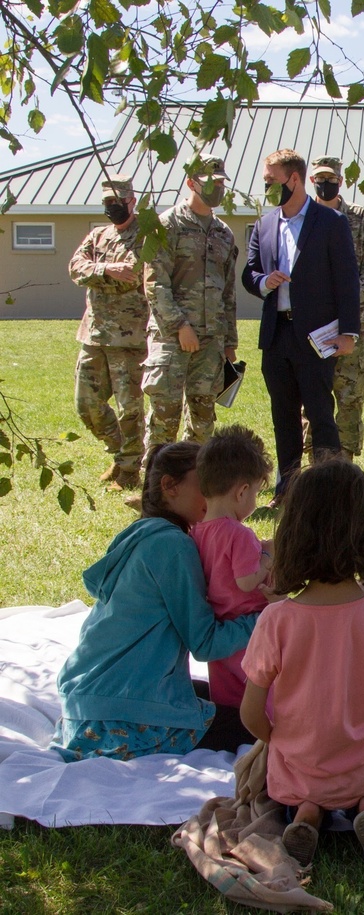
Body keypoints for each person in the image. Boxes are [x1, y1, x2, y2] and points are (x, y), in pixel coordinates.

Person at [240, 461, 364, 868]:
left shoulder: (276, 621)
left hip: (300, 769)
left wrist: (281, 738)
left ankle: (306, 816)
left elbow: (251, 712)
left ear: (293, 536)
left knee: (296, 796)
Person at [51, 441, 259, 762]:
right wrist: (262, 618)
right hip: (115, 722)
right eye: (205, 483)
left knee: (208, 692)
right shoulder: (173, 546)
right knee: (257, 720)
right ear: (169, 486)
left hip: (84, 703)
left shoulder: (142, 533)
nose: (215, 493)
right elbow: (204, 642)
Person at [242, 149, 361, 504]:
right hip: (276, 334)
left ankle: (330, 490)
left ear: (293, 179)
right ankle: (288, 486)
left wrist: (349, 332)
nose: (266, 187)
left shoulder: (330, 222)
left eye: (271, 181)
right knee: (283, 415)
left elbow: (347, 279)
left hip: (315, 337)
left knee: (320, 414)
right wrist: (265, 282)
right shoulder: (264, 224)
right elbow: (249, 273)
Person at [142, 157, 238, 456]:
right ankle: (154, 490)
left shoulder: (224, 233)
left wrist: (229, 343)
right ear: (191, 183)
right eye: (211, 182)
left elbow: (228, 293)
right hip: (172, 338)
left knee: (203, 418)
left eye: (221, 183)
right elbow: (155, 283)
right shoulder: (167, 225)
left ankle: (195, 486)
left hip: (211, 341)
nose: (217, 188)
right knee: (164, 416)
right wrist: (180, 326)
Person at [68, 173, 147, 492]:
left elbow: (130, 275)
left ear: (132, 200)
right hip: (94, 334)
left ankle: (130, 470)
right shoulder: (97, 235)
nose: (112, 207)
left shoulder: (146, 235)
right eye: (107, 203)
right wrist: (103, 269)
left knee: (130, 408)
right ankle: (118, 454)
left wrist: (101, 273)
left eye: (118, 201)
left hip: (129, 338)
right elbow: (75, 267)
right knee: (86, 403)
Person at [192, 425, 275, 713]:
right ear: (241, 492)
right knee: (262, 680)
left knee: (225, 685)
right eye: (254, 492)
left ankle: (228, 716)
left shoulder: (197, 530)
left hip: (219, 620)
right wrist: (266, 557)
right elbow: (246, 582)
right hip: (249, 621)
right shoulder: (239, 534)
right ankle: (263, 720)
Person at [308, 155, 364, 461]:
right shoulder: (303, 216)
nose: (326, 185)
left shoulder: (358, 217)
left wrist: (349, 305)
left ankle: (344, 463)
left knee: (351, 394)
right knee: (313, 396)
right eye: (320, 180)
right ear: (311, 182)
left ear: (341, 182)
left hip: (353, 324)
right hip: (313, 325)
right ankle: (317, 463)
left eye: (331, 180)